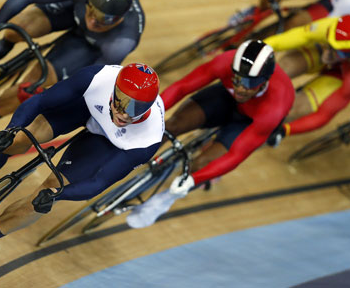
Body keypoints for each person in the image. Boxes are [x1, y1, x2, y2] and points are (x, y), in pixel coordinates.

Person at [0, 63, 164, 269]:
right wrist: (11, 130)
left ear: (149, 107)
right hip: (87, 108)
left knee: (43, 196)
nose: (124, 113)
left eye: (135, 109)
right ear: (113, 89)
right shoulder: (98, 77)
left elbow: (99, 182)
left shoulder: (147, 139)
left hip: (109, 146)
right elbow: (39, 102)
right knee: (24, 135)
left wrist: (58, 194)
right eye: (121, 102)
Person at [0, 0, 145, 149]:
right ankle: (3, 45)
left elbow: (89, 81)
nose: (92, 22)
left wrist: (46, 91)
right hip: (70, 14)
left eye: (103, 19)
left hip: (90, 47)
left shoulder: (120, 43)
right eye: (91, 11)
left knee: (36, 81)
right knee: (21, 23)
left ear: (119, 19)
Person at [126, 40, 295, 228]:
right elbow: (182, 87)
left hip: (248, 121)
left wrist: (193, 180)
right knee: (173, 124)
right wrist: (148, 112)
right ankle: (131, 155)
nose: (240, 87)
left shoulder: (275, 106)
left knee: (201, 164)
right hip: (225, 98)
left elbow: (236, 154)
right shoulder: (225, 62)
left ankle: (164, 200)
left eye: (249, 83)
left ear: (264, 81)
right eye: (237, 79)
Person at [263, 14, 350, 154]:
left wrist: (286, 130)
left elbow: (323, 115)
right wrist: (261, 47)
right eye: (330, 45)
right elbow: (297, 37)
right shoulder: (330, 26)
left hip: (345, 74)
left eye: (337, 51)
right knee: (284, 67)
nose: (329, 54)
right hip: (335, 53)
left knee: (294, 110)